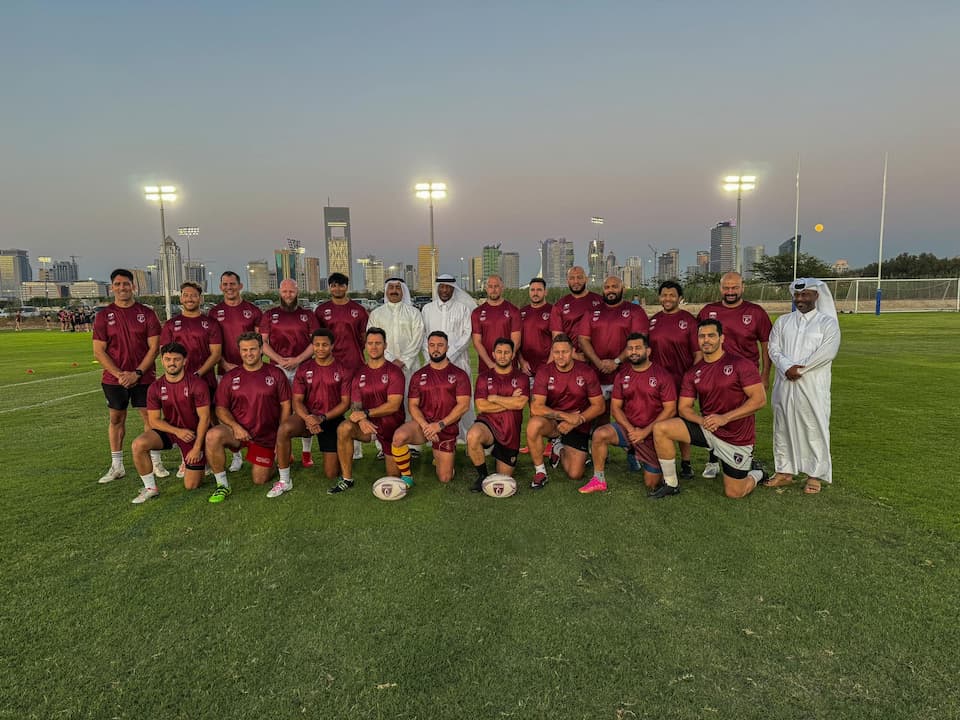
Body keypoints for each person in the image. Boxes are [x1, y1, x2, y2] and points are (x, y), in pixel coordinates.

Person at [651, 319, 767, 500]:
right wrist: (703, 421)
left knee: (735, 493)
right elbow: (684, 408)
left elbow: (759, 400)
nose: (706, 340)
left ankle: (758, 472)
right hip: (708, 429)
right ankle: (671, 484)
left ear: (722, 338)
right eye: (702, 336)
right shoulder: (693, 372)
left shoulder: (740, 364)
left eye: (711, 335)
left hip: (736, 436)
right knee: (661, 429)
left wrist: (725, 418)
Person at [765, 278, 841, 494]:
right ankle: (784, 471)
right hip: (785, 383)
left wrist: (801, 370)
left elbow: (828, 352)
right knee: (782, 426)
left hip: (813, 385)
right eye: (797, 295)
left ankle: (814, 475)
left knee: (813, 425)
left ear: (816, 296)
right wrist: (787, 367)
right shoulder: (783, 322)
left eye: (805, 295)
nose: (800, 299)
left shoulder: (827, 324)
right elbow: (774, 348)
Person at [697, 271, 773, 479]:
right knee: (710, 413)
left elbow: (766, 345)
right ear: (720, 288)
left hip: (743, 378)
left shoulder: (755, 312)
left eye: (734, 287)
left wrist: (765, 375)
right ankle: (713, 460)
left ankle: (746, 456)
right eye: (726, 288)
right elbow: (699, 342)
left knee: (743, 415)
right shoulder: (708, 311)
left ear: (742, 287)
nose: (730, 292)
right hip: (712, 374)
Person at [92, 269, 165, 484]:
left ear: (133, 286)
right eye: (118, 284)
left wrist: (137, 373)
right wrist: (119, 374)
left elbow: (154, 348)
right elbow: (99, 350)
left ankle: (156, 462)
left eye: (126, 284)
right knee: (116, 419)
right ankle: (117, 466)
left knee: (150, 419)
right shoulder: (104, 316)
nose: (122, 288)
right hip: (114, 380)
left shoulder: (147, 313)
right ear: (112, 287)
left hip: (144, 377)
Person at [582, 333, 677, 494]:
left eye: (638, 348)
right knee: (600, 434)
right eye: (630, 349)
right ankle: (598, 479)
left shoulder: (662, 375)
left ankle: (637, 452)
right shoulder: (622, 375)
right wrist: (631, 429)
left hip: (652, 434)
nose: (633, 352)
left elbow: (670, 409)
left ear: (648, 351)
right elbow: (615, 408)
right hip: (629, 430)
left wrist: (644, 432)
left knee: (652, 484)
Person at [206, 332, 292, 503]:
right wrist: (235, 426)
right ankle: (222, 485)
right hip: (238, 432)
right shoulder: (231, 377)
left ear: (261, 349)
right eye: (244, 350)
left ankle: (275, 457)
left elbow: (286, 406)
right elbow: (221, 408)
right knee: (213, 435)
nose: (249, 353)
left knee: (259, 480)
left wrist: (280, 438)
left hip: (265, 436)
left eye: (253, 349)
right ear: (239, 351)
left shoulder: (275, 374)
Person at [270, 329, 350, 498]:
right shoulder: (304, 368)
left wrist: (322, 418)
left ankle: (341, 454)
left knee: (331, 473)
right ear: (312, 346)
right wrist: (308, 418)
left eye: (324, 345)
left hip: (330, 419)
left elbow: (345, 403)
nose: (320, 348)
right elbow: (297, 400)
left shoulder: (342, 369)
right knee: (284, 429)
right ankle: (285, 480)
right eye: (317, 345)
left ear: (332, 346)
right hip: (307, 416)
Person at [130, 342, 211, 503]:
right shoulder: (155, 387)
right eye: (167, 359)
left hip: (193, 434)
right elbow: (153, 420)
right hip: (172, 430)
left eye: (176, 359)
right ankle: (150, 488)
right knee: (138, 444)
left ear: (185, 361)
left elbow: (205, 418)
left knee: (191, 485)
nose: (171, 363)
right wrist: (176, 431)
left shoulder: (197, 384)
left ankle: (204, 458)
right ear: (162, 361)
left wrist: (196, 448)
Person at [328, 327, 407, 493]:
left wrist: (366, 414)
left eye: (378, 343)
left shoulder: (394, 372)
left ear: (385, 345)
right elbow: (356, 405)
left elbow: (394, 405)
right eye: (370, 343)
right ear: (365, 345)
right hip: (368, 427)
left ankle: (399, 455)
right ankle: (347, 479)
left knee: (393, 477)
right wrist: (362, 419)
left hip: (391, 429)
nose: (374, 347)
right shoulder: (359, 373)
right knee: (344, 428)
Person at [390, 331, 472, 487]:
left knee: (445, 478)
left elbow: (464, 405)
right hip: (424, 426)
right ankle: (407, 476)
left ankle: (443, 455)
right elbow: (413, 405)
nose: (436, 349)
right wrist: (425, 426)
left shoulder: (459, 375)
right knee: (399, 437)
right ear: (427, 347)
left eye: (440, 345)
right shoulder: (419, 375)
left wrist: (439, 425)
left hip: (445, 427)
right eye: (432, 345)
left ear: (447, 347)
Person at [527, 334, 605, 489]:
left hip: (578, 424)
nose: (560, 356)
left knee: (575, 474)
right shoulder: (544, 371)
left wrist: (579, 419)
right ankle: (540, 471)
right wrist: (565, 416)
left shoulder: (586, 371)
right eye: (556, 352)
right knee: (534, 424)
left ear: (573, 351)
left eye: (565, 352)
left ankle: (558, 448)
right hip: (554, 422)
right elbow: (536, 407)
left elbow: (599, 405)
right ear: (552, 352)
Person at [260, 278, 319, 466]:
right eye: (284, 291)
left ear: (297, 292)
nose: (288, 295)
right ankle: (284, 450)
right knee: (280, 410)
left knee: (304, 408)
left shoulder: (308, 315)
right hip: (278, 368)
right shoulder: (270, 315)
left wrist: (298, 360)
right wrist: (279, 360)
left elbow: (315, 343)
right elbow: (262, 342)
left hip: (303, 367)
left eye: (291, 292)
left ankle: (306, 452)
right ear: (279, 292)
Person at [648, 280, 701, 480]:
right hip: (658, 383)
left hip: (681, 380)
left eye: (672, 295)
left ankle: (686, 463)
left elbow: (698, 353)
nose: (667, 298)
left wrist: (691, 378)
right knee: (659, 420)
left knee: (683, 420)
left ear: (680, 298)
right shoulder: (653, 321)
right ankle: (660, 460)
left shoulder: (688, 320)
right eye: (664, 295)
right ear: (659, 297)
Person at [210, 270, 263, 471]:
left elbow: (260, 342)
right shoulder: (215, 313)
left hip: (250, 370)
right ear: (221, 287)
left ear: (240, 286)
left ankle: (258, 447)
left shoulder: (253, 310)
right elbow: (213, 343)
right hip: (225, 369)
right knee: (226, 411)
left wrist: (250, 365)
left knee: (254, 409)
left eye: (233, 284)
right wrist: (223, 363)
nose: (229, 287)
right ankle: (236, 454)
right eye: (225, 284)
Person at [315, 272, 369, 460]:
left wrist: (354, 352)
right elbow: (318, 338)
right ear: (329, 287)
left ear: (347, 287)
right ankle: (332, 443)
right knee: (333, 403)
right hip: (331, 365)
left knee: (356, 403)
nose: (337, 289)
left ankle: (356, 444)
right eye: (333, 285)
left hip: (354, 363)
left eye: (341, 285)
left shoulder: (359, 310)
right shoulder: (321, 310)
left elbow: (363, 338)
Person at [466, 338, 530, 492]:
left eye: (506, 352)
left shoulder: (521, 377)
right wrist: (510, 401)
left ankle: (495, 451)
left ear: (512, 355)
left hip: (510, 432)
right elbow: (481, 406)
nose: (503, 356)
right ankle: (482, 476)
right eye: (499, 352)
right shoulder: (484, 377)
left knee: (504, 477)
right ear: (493, 354)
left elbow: (520, 404)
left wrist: (495, 398)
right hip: (488, 425)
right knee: (472, 436)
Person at [421, 273, 476, 441]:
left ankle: (470, 439)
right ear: (438, 288)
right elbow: (423, 336)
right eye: (442, 287)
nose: (444, 290)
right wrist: (433, 356)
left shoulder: (463, 309)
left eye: (448, 287)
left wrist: (449, 354)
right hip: (434, 364)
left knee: (464, 402)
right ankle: (437, 438)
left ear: (454, 288)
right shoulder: (427, 309)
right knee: (436, 401)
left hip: (458, 362)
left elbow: (467, 335)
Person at [578, 275, 650, 393]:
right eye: (607, 287)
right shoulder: (591, 312)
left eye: (614, 287)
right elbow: (583, 340)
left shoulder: (635, 311)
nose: (610, 290)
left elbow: (639, 342)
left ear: (623, 289)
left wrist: (616, 362)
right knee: (597, 410)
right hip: (596, 375)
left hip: (627, 374)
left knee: (625, 410)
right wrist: (598, 363)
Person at [368, 277, 425, 394]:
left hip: (410, 365)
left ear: (403, 291)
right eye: (391, 287)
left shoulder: (414, 313)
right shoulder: (376, 314)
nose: (394, 290)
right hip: (384, 365)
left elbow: (418, 339)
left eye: (398, 287)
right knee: (385, 400)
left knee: (411, 401)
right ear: (386, 291)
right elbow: (372, 340)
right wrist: (391, 360)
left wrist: (403, 360)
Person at [471, 274, 521, 371]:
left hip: (509, 367)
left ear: (502, 288)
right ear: (486, 288)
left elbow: (516, 341)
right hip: (486, 367)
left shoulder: (513, 311)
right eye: (490, 286)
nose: (493, 289)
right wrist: (490, 364)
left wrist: (505, 361)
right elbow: (477, 342)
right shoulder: (477, 312)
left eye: (496, 286)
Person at [518, 277, 554, 381]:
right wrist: (521, 362)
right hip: (526, 369)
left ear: (545, 292)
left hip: (547, 369)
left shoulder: (553, 311)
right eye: (532, 290)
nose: (535, 293)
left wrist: (548, 367)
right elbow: (517, 342)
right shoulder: (521, 313)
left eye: (539, 290)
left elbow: (557, 341)